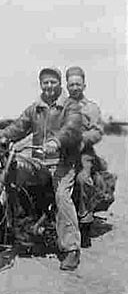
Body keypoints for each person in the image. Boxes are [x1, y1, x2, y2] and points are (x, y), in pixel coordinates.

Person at [0, 67, 82, 270]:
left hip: (63, 162)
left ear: (59, 83)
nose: (49, 86)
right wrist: (1, 137)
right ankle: (13, 232)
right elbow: (19, 126)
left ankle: (71, 248)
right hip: (39, 161)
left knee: (62, 197)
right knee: (13, 177)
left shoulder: (70, 106)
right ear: (41, 84)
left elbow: (71, 128)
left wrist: (57, 141)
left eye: (53, 81)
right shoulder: (34, 108)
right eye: (45, 82)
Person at [65, 66, 105, 247]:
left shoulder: (91, 107)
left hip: (83, 153)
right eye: (71, 84)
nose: (74, 88)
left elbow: (97, 131)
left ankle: (85, 224)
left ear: (84, 85)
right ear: (66, 86)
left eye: (77, 84)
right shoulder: (61, 106)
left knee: (83, 180)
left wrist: (82, 140)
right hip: (61, 152)